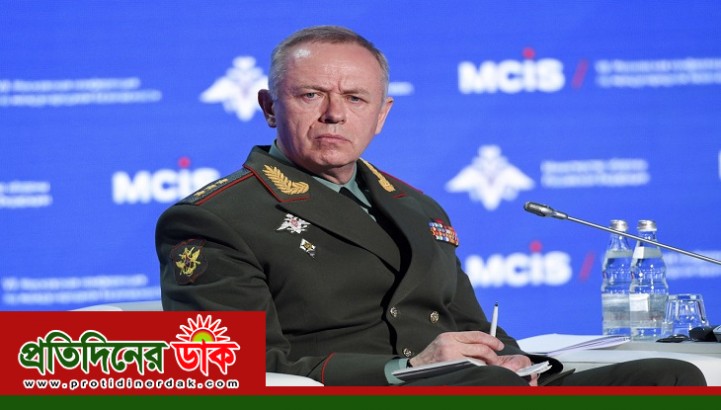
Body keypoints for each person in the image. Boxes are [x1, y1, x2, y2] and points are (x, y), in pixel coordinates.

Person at [155, 25, 706, 387]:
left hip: (470, 383)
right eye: (310, 95)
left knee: (669, 377)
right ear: (270, 108)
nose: (334, 114)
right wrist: (406, 367)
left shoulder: (418, 206)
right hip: (368, 389)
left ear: (382, 114)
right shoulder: (217, 218)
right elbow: (234, 364)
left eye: (355, 98)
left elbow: (470, 324)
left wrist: (510, 356)